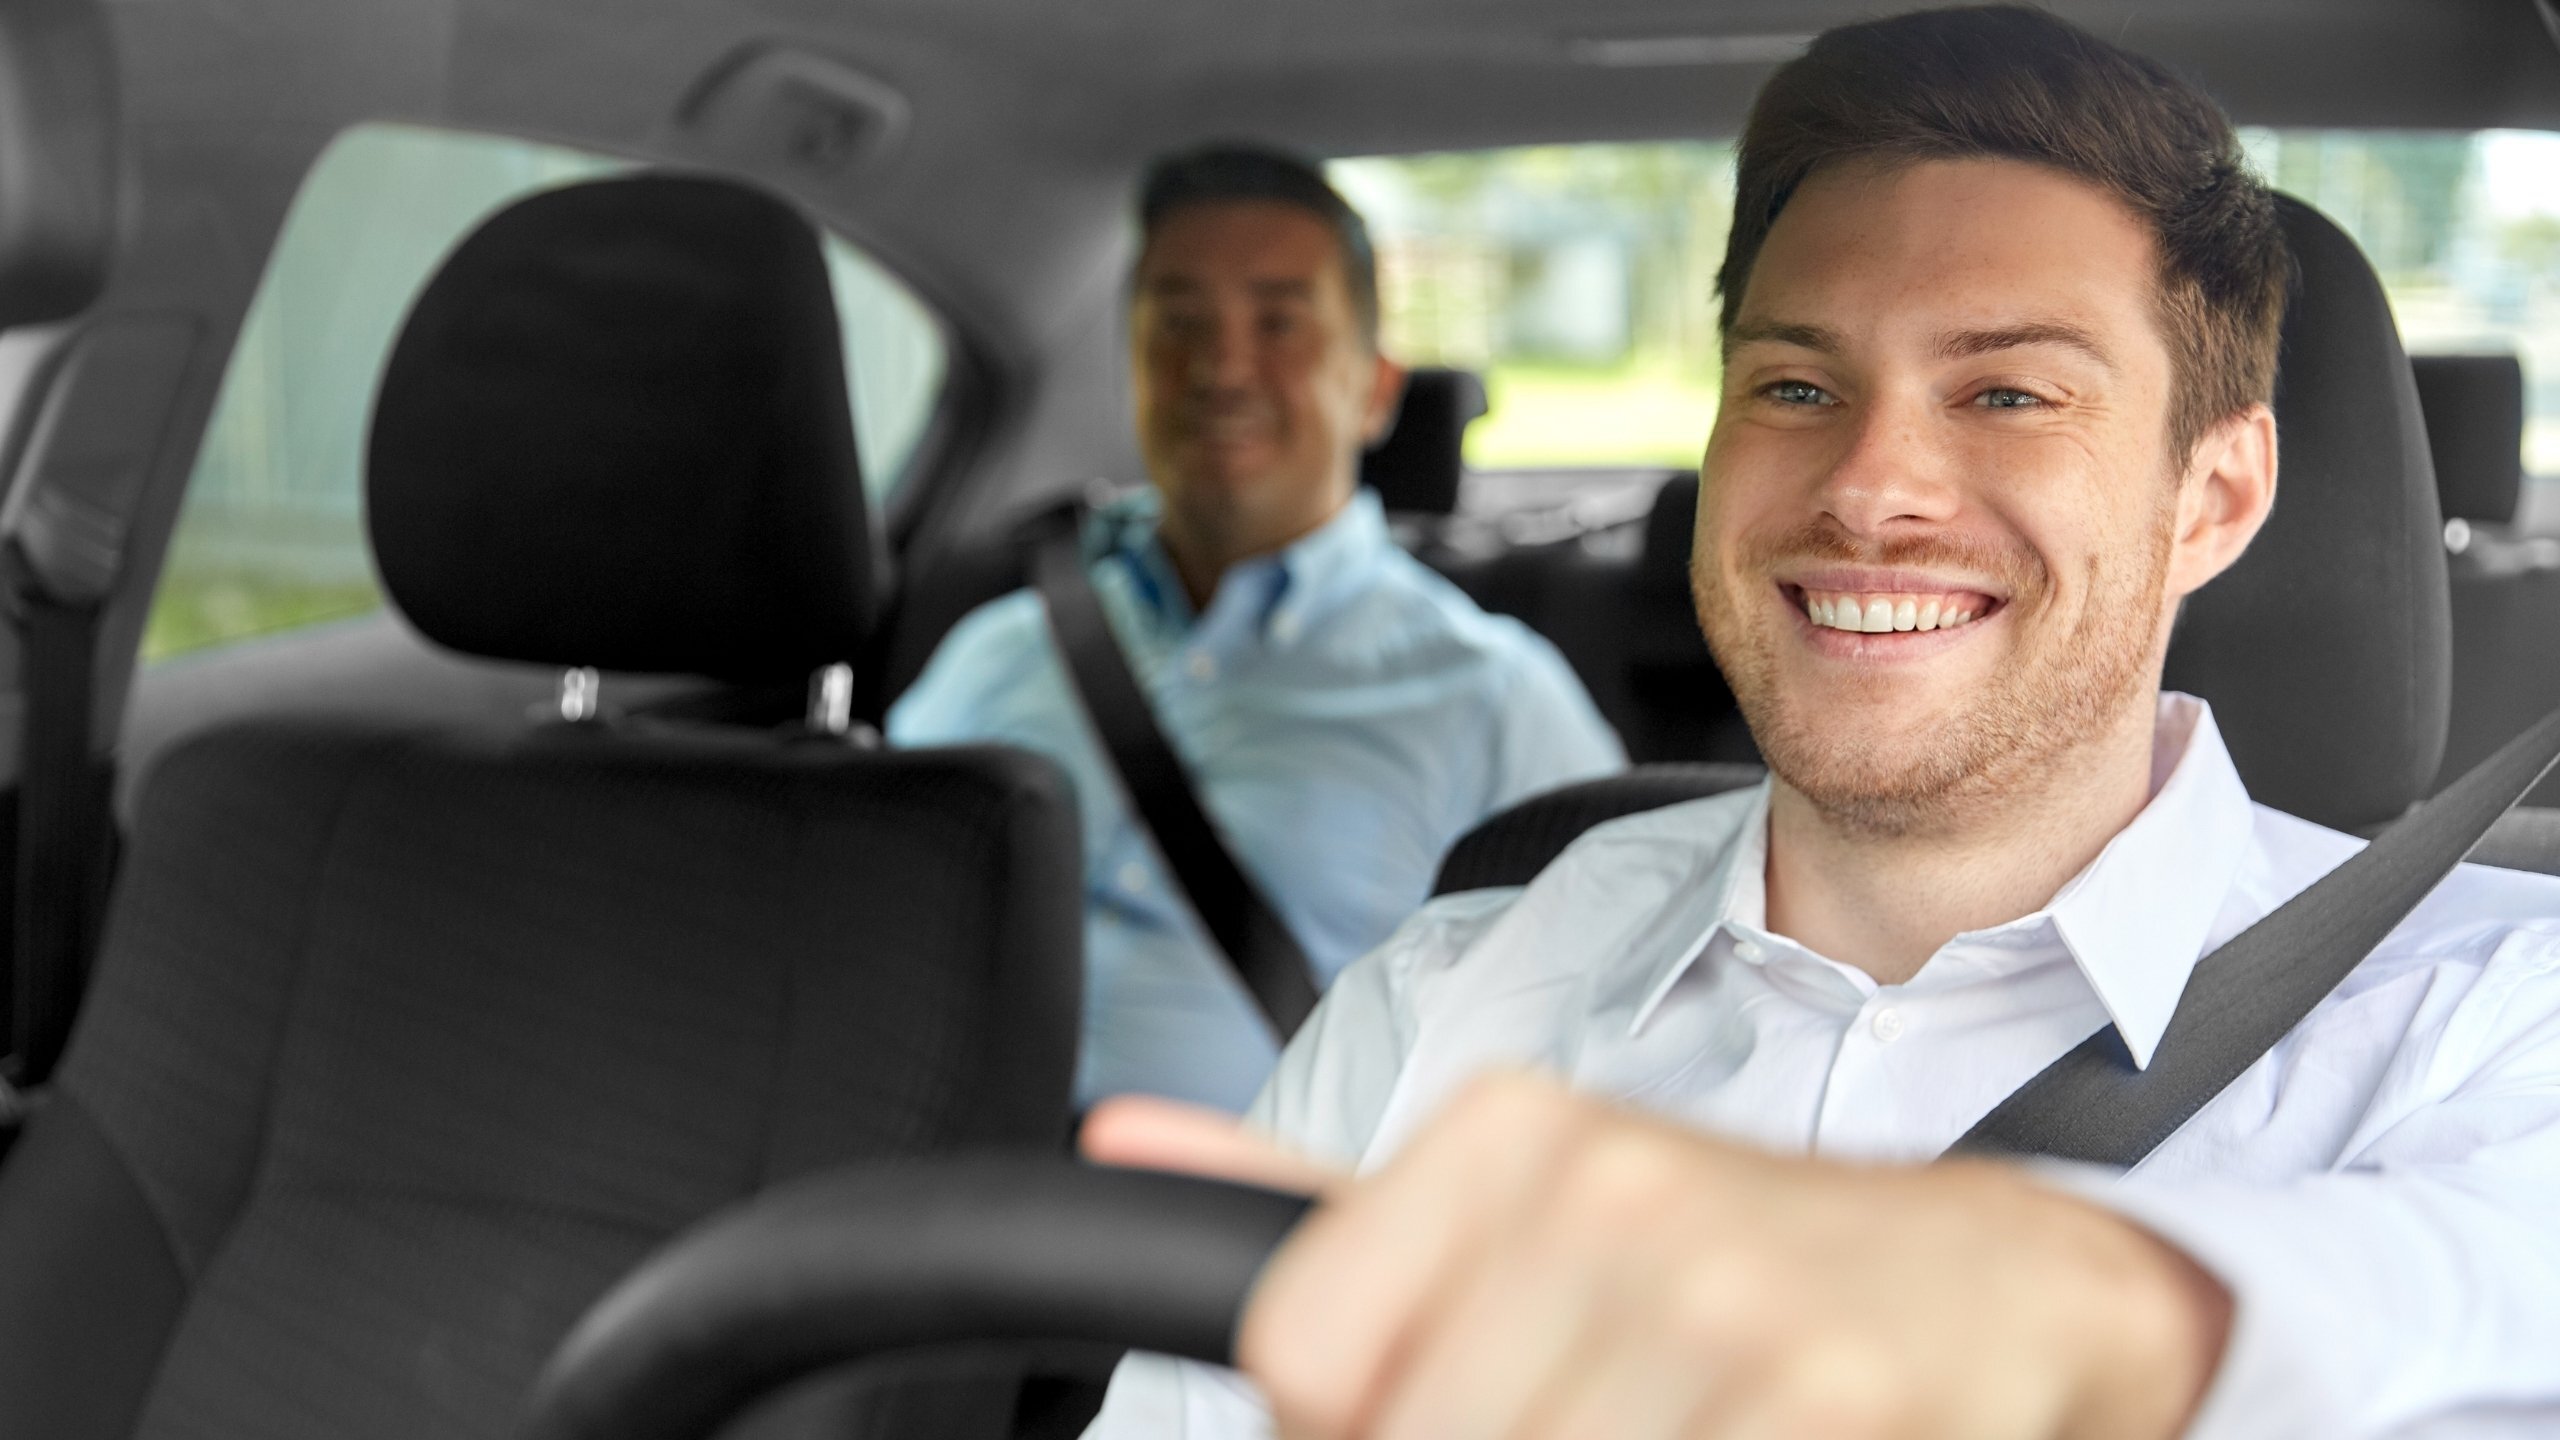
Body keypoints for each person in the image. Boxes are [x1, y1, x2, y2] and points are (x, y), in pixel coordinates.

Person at [1079, 8, 2560, 1439]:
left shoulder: (2493, 1015)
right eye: (1795, 384)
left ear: (2213, 500)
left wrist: (2073, 1321)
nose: (1868, 486)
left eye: (2007, 394)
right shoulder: (1437, 1002)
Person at [889, 144, 1624, 1114]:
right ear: (1133, 366)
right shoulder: (994, 653)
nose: (1223, 369)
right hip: (930, 1191)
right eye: (1178, 324)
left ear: (1375, 389)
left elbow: (1607, 1058)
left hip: (1266, 1207)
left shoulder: (1496, 702)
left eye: (1279, 322)